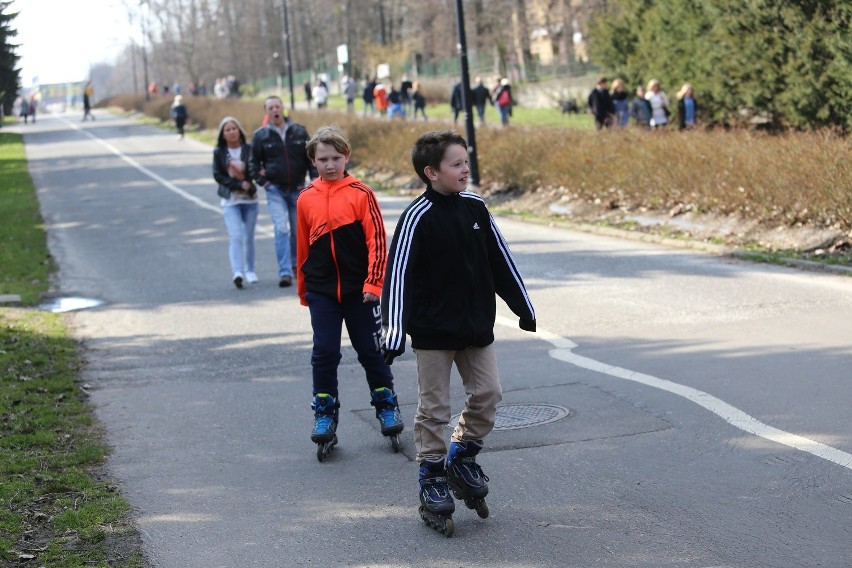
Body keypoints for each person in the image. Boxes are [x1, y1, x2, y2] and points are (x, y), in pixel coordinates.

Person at [381, 130, 536, 534]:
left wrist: (523, 307)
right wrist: (394, 331)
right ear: (431, 172)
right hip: (433, 333)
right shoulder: (417, 218)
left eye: (466, 161)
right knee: (433, 409)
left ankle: (462, 455)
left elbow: (501, 261)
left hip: (475, 327)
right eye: (456, 164)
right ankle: (431, 478)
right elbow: (398, 277)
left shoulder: (476, 208)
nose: (465, 169)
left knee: (488, 394)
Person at [297, 126, 403, 454]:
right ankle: (325, 414)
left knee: (371, 352)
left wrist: (374, 283)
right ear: (313, 161)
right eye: (323, 159)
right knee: (325, 352)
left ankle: (386, 405)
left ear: (347, 157)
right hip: (322, 292)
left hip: (361, 291)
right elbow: (301, 247)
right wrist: (304, 289)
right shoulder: (306, 199)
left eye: (336, 158)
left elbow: (377, 242)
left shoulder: (361, 193)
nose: (330, 165)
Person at [249, 95, 317, 288]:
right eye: (270, 108)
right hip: (275, 190)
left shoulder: (298, 131)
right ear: (266, 112)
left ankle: (297, 265)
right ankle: (285, 272)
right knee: (281, 229)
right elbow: (253, 162)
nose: (275, 110)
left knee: (298, 230)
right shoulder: (260, 136)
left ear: (283, 109)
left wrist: (313, 181)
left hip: (297, 188)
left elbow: (311, 157)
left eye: (277, 107)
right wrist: (264, 182)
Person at [213, 116, 259, 288]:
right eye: (228, 130)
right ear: (223, 134)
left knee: (249, 237)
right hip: (230, 200)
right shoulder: (219, 152)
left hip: (250, 200)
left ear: (239, 131)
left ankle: (250, 270)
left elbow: (254, 168)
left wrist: (250, 182)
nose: (231, 132)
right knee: (235, 236)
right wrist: (238, 184)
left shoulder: (249, 149)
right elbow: (218, 175)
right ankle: (237, 272)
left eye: (234, 128)